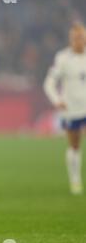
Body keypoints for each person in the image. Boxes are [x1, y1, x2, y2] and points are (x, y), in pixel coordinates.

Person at [44, 22, 86, 195]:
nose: (79, 40)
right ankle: (75, 180)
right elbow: (49, 83)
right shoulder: (63, 58)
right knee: (74, 145)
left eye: (82, 37)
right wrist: (56, 100)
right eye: (76, 38)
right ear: (70, 39)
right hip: (71, 109)